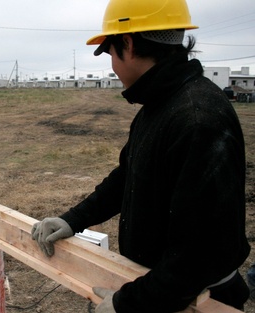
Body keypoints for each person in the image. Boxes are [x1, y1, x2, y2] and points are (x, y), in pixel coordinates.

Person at [31, 0, 250, 312]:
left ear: (128, 43)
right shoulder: (160, 105)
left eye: (109, 53)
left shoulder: (198, 120)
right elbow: (127, 177)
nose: (112, 67)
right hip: (160, 287)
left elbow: (196, 257)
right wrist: (72, 220)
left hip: (196, 300)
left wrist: (128, 304)